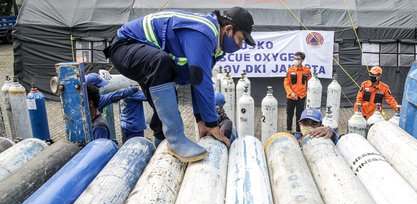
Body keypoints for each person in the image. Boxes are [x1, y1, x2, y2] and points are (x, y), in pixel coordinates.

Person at [104, 7, 255, 162]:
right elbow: (201, 81)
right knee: (160, 63)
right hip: (125, 46)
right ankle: (176, 139)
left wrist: (202, 123)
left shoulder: (216, 46)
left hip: (143, 55)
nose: (240, 45)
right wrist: (213, 125)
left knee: (167, 99)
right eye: (240, 39)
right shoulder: (205, 31)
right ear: (229, 29)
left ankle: (162, 148)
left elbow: (194, 80)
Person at [284, 52, 312, 133]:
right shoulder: (290, 70)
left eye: (298, 59)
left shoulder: (306, 70)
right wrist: (291, 93)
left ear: (302, 60)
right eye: (294, 58)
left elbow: (311, 82)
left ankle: (298, 131)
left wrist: (307, 92)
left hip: (301, 96)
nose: (295, 60)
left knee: (299, 115)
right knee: (289, 114)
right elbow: (286, 83)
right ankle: (289, 130)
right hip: (291, 97)